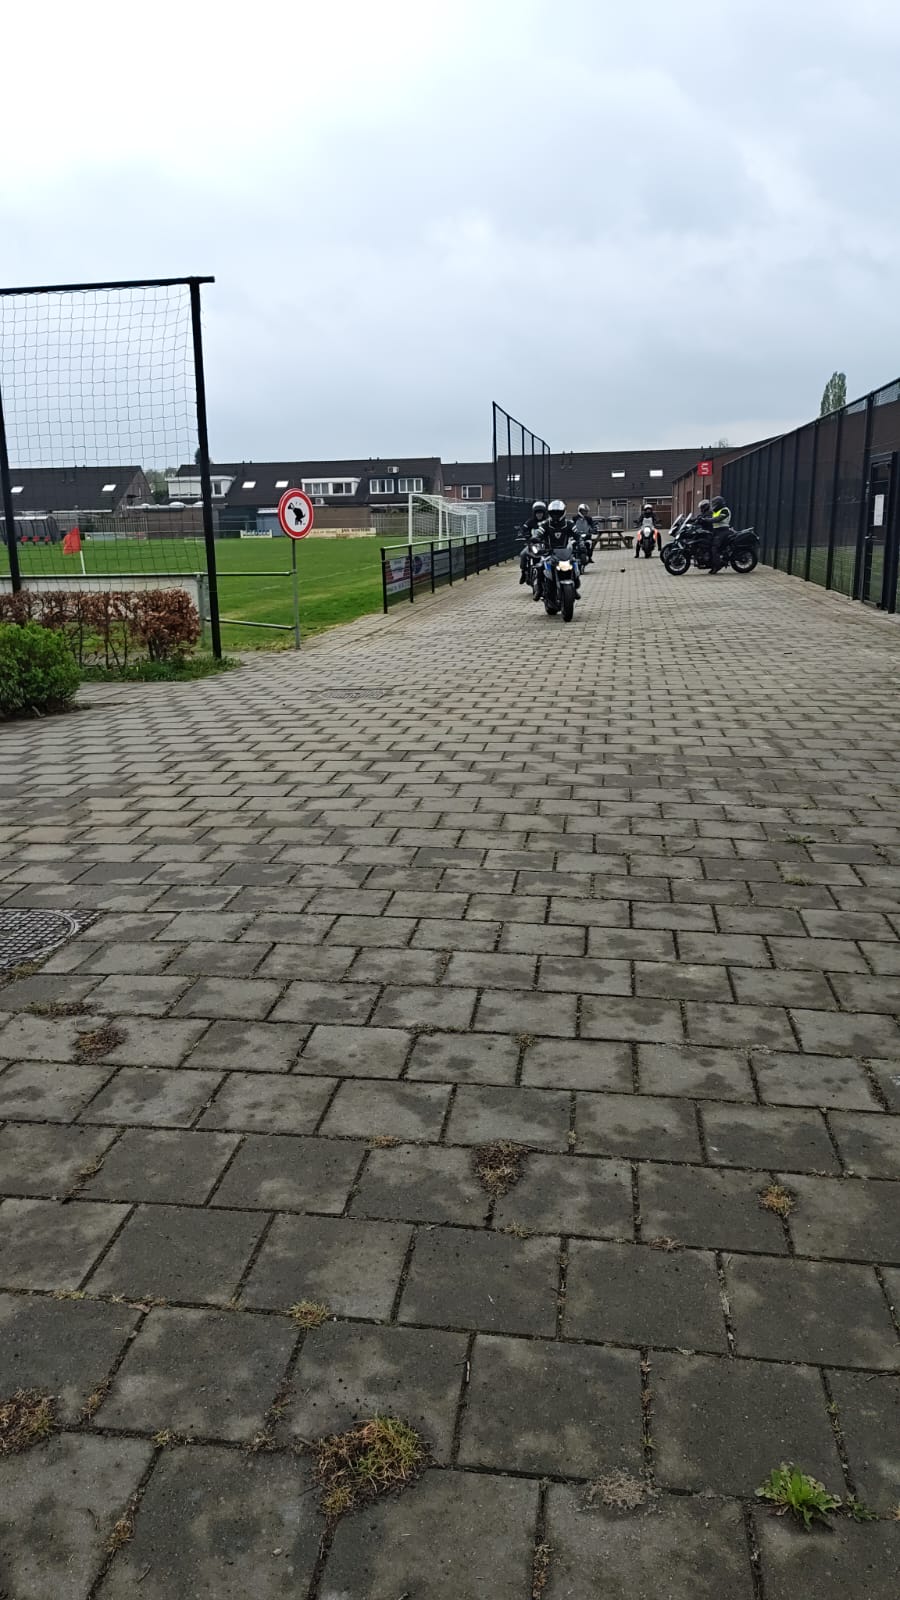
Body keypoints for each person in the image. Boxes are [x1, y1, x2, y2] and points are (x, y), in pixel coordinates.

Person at [519, 499, 548, 583]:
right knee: (523, 554)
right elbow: (523, 529)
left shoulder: (547, 522)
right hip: (532, 545)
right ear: (534, 513)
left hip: (545, 545)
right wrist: (523, 534)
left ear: (544, 513)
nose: (539, 514)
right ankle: (523, 573)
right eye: (537, 513)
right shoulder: (530, 522)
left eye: (541, 512)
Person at [708, 494, 732, 574]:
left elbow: (718, 519)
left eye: (715, 503)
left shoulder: (725, 510)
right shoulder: (716, 511)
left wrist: (707, 520)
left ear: (719, 503)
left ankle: (717, 566)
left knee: (715, 547)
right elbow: (709, 516)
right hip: (716, 530)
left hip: (723, 531)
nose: (713, 505)